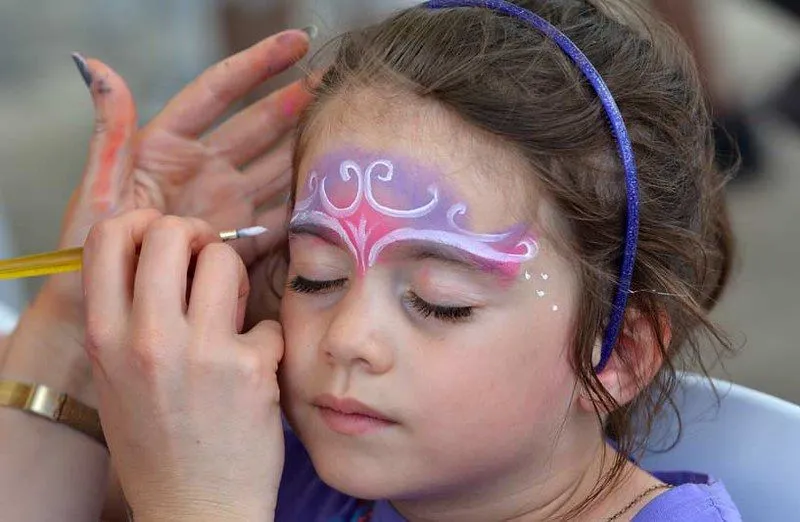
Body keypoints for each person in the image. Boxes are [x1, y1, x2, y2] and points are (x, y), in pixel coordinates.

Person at [0, 1, 742, 520]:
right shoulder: (287, 469)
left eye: (438, 298)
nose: (347, 336)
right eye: (315, 274)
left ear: (618, 353)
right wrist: (77, 313)